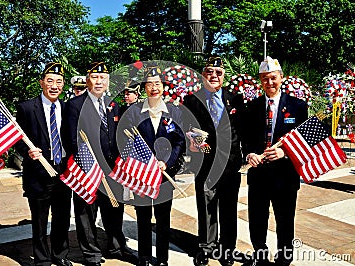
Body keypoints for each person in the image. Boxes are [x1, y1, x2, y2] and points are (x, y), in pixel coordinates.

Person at [61, 61, 137, 266]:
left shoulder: (113, 104)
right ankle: (91, 253)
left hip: (113, 169)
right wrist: (91, 164)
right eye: (95, 77)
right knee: (86, 212)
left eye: (103, 78)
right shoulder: (74, 105)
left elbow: (119, 135)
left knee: (114, 208)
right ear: (87, 81)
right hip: (88, 169)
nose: (99, 81)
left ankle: (116, 246)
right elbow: (71, 139)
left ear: (108, 81)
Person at [243, 56, 308, 266]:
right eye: (264, 79)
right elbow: (246, 139)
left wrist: (286, 154)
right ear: (260, 81)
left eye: (273, 78)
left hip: (285, 176)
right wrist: (250, 153)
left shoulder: (298, 106)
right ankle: (260, 253)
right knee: (257, 219)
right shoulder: (251, 107)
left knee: (285, 220)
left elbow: (307, 141)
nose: (269, 83)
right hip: (259, 174)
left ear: (281, 78)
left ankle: (284, 258)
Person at [120, 65, 185, 266]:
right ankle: (145, 257)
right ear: (145, 88)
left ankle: (163, 258)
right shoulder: (134, 112)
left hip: (165, 173)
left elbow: (179, 141)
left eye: (157, 84)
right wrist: (141, 163)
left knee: (163, 218)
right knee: (143, 216)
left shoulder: (174, 111)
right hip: (142, 174)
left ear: (163, 87)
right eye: (149, 84)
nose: (154, 88)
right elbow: (125, 140)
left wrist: (167, 163)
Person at [183, 56, 245, 266]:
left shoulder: (235, 99)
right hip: (205, 165)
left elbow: (242, 130)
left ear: (223, 76)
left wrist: (243, 157)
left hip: (230, 164)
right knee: (206, 207)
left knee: (228, 209)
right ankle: (206, 248)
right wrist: (192, 143)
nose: (214, 76)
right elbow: (187, 128)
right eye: (210, 72)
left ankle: (227, 249)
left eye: (218, 73)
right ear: (203, 75)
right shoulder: (192, 100)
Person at [15, 62, 72, 266]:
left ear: (63, 85)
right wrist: (27, 152)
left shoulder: (67, 108)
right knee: (39, 221)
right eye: (50, 81)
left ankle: (60, 255)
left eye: (59, 81)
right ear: (42, 83)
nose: (54, 85)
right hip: (38, 174)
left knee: (62, 219)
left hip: (63, 173)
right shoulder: (27, 108)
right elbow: (17, 139)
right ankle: (42, 260)